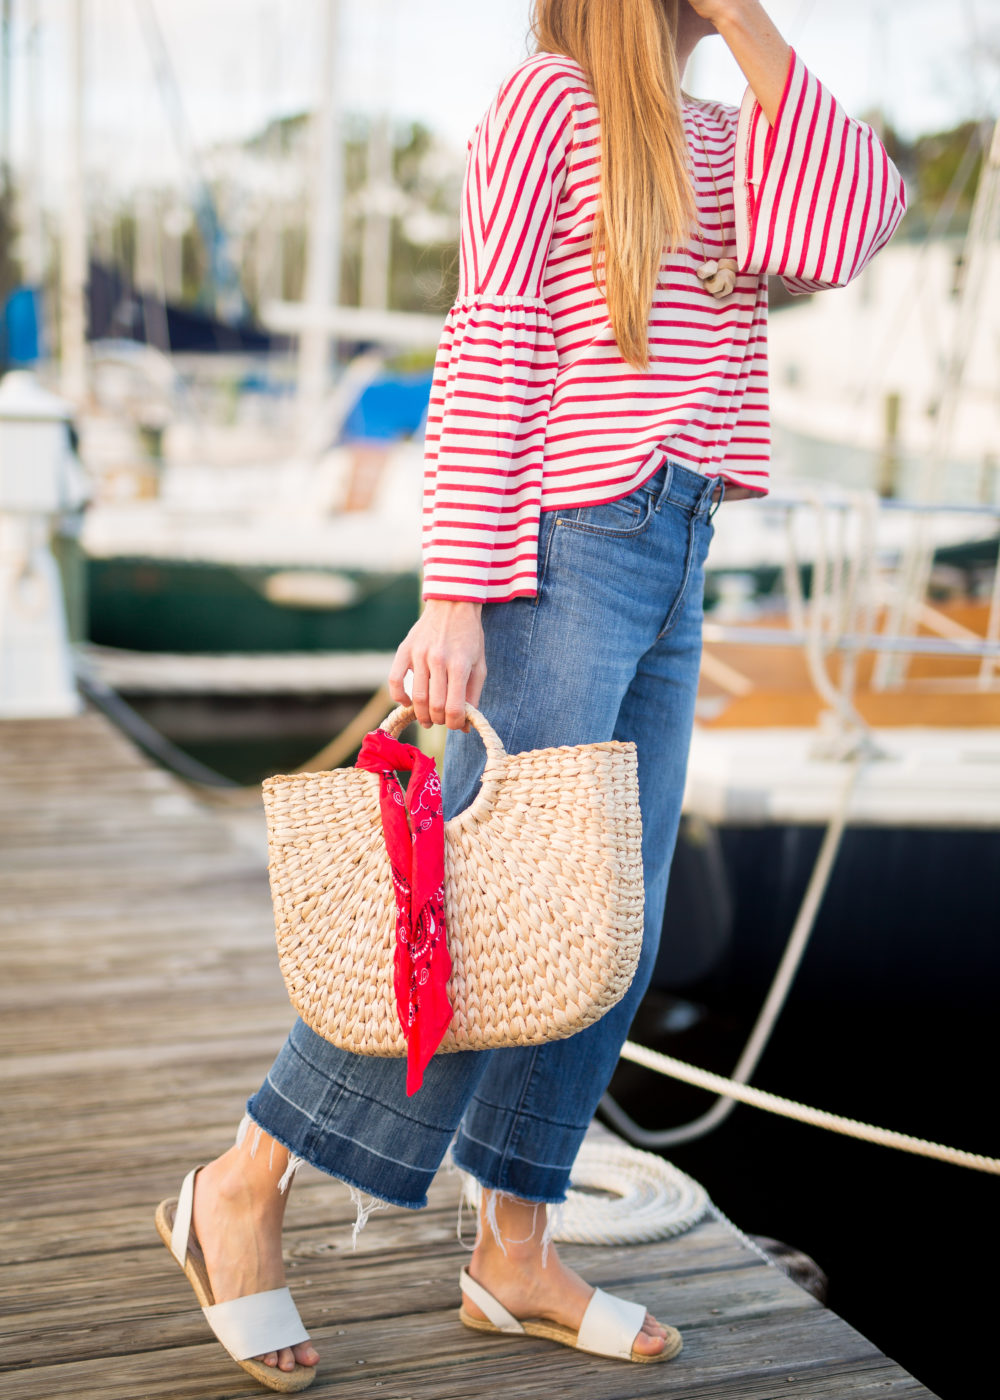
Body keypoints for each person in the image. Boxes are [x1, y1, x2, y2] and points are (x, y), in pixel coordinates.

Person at [156, 1, 905, 1390]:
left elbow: (848, 228)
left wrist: (748, 23)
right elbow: (494, 344)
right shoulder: (549, 105)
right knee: (481, 908)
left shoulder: (735, 131)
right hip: (568, 540)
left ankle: (515, 1243)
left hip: (680, 545)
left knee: (607, 919)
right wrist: (455, 591)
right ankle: (242, 1186)